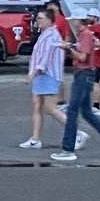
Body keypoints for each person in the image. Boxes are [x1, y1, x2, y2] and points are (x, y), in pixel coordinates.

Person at [51, 14, 100, 162]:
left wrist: (69, 48)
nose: (72, 22)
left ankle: (68, 149)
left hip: (83, 74)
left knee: (73, 112)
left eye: (74, 19)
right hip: (84, 75)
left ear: (79, 21)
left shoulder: (86, 35)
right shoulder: (85, 34)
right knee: (87, 113)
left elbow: (82, 57)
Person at [20, 8, 88, 151]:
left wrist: (33, 73)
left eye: (40, 18)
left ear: (49, 20)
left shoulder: (51, 35)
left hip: (48, 75)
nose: (38, 21)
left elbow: (45, 57)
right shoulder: (46, 34)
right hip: (42, 76)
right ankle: (35, 139)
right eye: (37, 18)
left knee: (50, 108)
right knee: (37, 105)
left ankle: (78, 133)